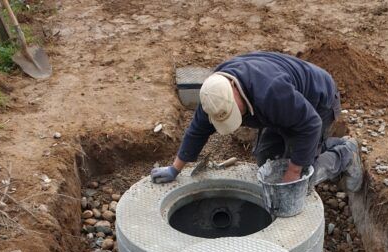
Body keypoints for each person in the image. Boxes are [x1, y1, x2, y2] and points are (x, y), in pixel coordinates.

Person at [150, 52, 363, 192]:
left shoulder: (271, 92)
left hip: (317, 103)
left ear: (236, 90)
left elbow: (310, 124)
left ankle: (345, 153)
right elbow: (197, 131)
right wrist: (175, 169)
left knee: (300, 182)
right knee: (267, 162)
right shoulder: (214, 93)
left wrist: (294, 173)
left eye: (235, 114)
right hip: (286, 109)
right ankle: (321, 149)